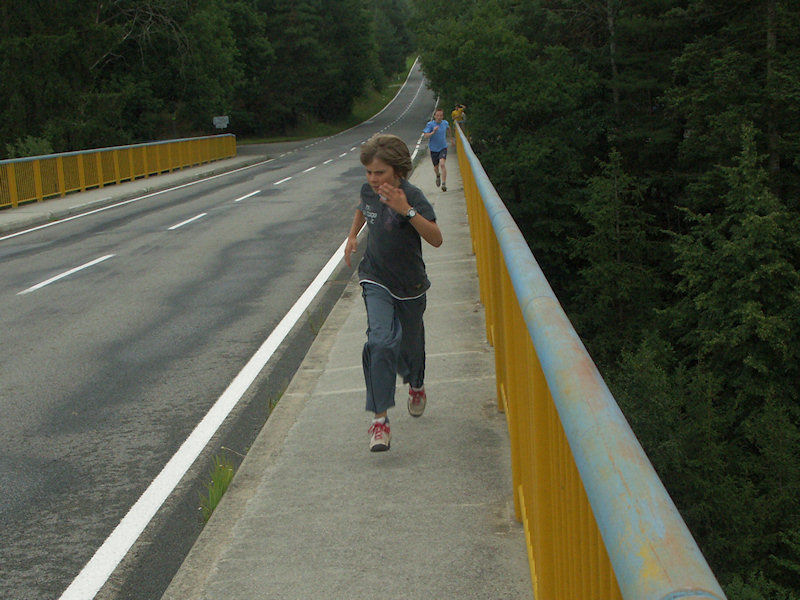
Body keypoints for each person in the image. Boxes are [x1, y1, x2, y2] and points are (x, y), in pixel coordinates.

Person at [344, 134, 443, 452]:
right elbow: (363, 208)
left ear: (398, 171)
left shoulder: (412, 196)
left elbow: (436, 238)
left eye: (380, 173)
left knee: (411, 348)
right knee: (379, 342)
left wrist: (407, 211)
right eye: (369, 172)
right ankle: (380, 421)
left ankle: (416, 384)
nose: (373, 179)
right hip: (375, 278)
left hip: (410, 286)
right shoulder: (368, 190)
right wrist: (352, 237)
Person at [422, 108, 450, 192]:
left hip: (443, 147)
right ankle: (438, 175)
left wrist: (451, 138)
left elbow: (448, 129)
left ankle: (444, 184)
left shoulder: (445, 123)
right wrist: (433, 132)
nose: (439, 117)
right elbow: (426, 135)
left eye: (441, 115)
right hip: (434, 149)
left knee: (442, 164)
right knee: (436, 167)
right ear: (434, 116)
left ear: (443, 116)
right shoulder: (430, 124)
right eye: (437, 115)